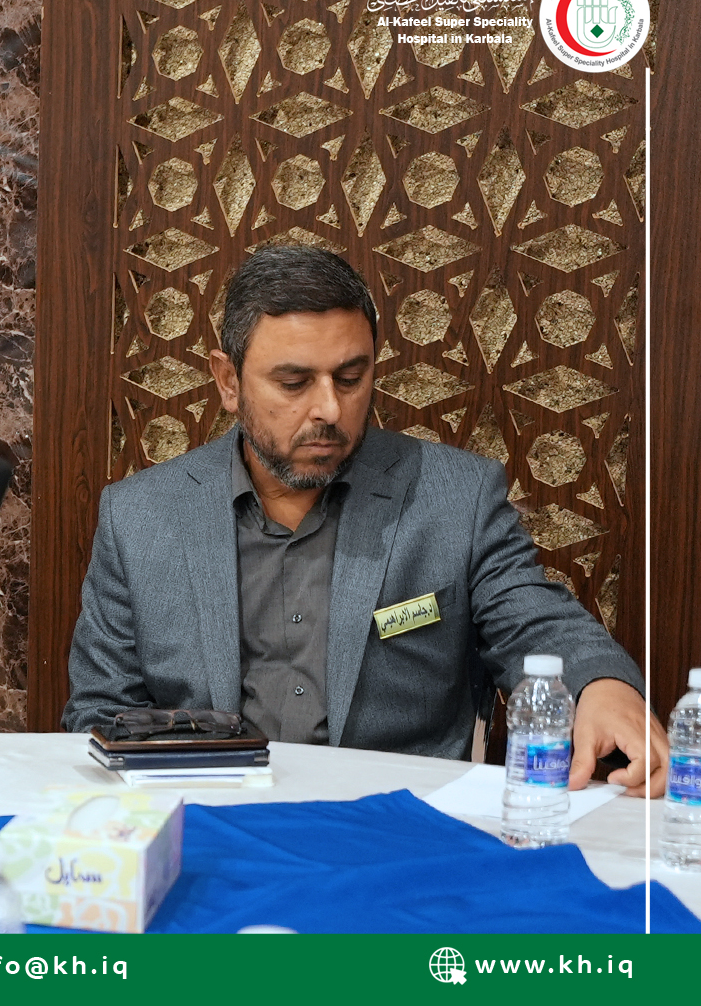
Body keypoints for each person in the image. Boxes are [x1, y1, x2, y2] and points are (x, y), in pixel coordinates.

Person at [63, 245, 668, 796]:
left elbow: (532, 618)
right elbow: (101, 714)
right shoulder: (141, 517)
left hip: (397, 832)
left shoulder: (453, 498)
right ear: (228, 381)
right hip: (208, 822)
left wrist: (601, 685)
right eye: (294, 383)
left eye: (351, 379)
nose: (329, 408)